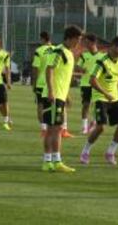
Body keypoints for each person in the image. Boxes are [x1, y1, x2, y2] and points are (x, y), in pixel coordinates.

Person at [80, 36, 118, 166]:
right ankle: (85, 151)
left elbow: (117, 77)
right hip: (100, 97)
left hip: (114, 98)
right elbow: (92, 80)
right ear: (113, 46)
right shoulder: (101, 61)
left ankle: (110, 152)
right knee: (101, 128)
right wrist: (105, 93)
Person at [41, 25, 82, 173]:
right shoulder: (58, 51)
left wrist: (67, 95)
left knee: (56, 129)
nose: (78, 43)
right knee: (54, 130)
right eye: (77, 40)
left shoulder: (69, 53)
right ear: (69, 38)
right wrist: (52, 91)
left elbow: (63, 77)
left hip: (60, 96)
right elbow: (49, 69)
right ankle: (51, 161)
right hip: (54, 96)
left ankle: (52, 161)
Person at [76, 33, 101, 134]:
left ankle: (94, 123)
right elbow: (77, 66)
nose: (85, 43)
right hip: (85, 84)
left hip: (97, 84)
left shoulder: (102, 56)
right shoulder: (84, 55)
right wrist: (81, 69)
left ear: (93, 42)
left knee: (98, 105)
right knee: (86, 105)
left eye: (87, 41)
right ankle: (84, 127)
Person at [31, 31, 54, 137]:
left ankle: (43, 129)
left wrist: (34, 83)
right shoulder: (56, 50)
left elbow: (35, 68)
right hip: (53, 83)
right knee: (53, 106)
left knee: (40, 105)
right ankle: (57, 127)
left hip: (41, 83)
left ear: (43, 39)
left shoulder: (39, 51)